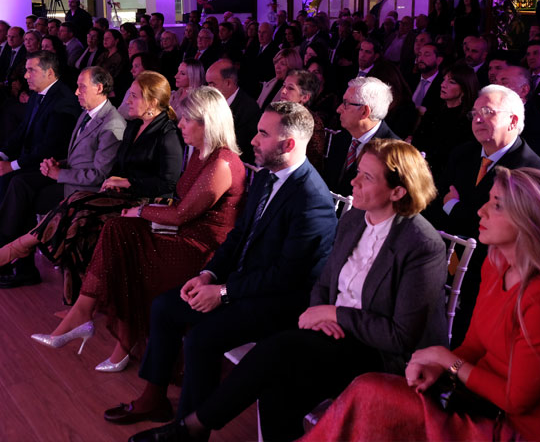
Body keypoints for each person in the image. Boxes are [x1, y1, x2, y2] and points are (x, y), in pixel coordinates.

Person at [129, 138, 449, 442]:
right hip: (332, 335)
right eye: (358, 172)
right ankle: (190, 428)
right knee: (278, 385)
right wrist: (320, 313)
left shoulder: (421, 244)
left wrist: (332, 313)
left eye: (367, 177)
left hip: (382, 356)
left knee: (277, 353)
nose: (353, 181)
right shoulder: (355, 219)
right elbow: (325, 280)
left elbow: (400, 336)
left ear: (397, 191)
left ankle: (192, 427)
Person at [298, 167, 540, 442]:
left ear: (532, 223)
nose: (481, 210)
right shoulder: (496, 265)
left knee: (371, 396)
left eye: (497, 205)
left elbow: (515, 400)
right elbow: (475, 345)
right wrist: (439, 368)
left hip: (518, 429)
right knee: (369, 391)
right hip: (476, 403)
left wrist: (447, 361)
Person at [103, 101, 337, 428]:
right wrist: (208, 275)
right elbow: (238, 236)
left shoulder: (311, 199)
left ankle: (187, 431)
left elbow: (285, 277)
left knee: (202, 338)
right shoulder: (268, 177)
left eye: (263, 134)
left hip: (278, 302)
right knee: (165, 307)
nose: (252, 140)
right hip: (244, 285)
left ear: (288, 145)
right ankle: (153, 399)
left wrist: (223, 292)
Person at [31, 86, 246, 374]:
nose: (180, 125)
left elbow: (182, 214)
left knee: (124, 243)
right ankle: (90, 318)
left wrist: (141, 211)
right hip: (181, 236)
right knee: (117, 229)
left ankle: (107, 332)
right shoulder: (200, 152)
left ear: (208, 123)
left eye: (186, 120)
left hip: (202, 252)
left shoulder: (221, 163)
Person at [0, 71, 184, 302]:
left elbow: (168, 183)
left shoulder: (167, 133)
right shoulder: (133, 126)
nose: (127, 100)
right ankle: (71, 297)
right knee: (66, 210)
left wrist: (126, 181)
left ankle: (16, 250)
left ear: (152, 102)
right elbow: (117, 167)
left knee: (75, 208)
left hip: (145, 200)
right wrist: (62, 166)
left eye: (134, 96)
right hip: (120, 193)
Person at [439, 85, 540, 343]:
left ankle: (455, 362)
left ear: (512, 120)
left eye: (487, 112)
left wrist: (454, 207)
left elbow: (505, 229)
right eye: (475, 113)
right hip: (447, 253)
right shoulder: (463, 153)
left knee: (464, 337)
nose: (477, 119)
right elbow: (437, 200)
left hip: (491, 268)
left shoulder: (530, 171)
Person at [0, 67, 124, 288]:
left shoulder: (112, 124)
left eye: (81, 87)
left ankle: (12, 257)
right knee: (19, 182)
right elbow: (78, 156)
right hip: (69, 177)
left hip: (85, 191)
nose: (76, 92)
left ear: (99, 88)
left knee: (25, 196)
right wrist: (59, 164)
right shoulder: (87, 113)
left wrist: (60, 173)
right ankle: (14, 257)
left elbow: (100, 175)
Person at [0, 51, 81, 204]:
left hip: (48, 164)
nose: (26, 76)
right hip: (30, 157)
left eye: (31, 70)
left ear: (49, 72)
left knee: (8, 179)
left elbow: (50, 147)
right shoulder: (37, 94)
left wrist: (12, 165)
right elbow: (22, 129)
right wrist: (3, 154)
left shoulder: (64, 102)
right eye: (26, 70)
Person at [323, 77, 400, 197]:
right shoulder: (341, 138)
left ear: (364, 111)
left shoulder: (393, 153)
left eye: (346, 104)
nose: (338, 109)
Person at [412, 63, 478, 182]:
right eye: (444, 80)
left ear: (464, 89)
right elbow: (418, 138)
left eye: (451, 82)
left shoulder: (468, 121)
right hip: (417, 167)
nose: (443, 84)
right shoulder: (434, 110)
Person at [278, 69, 326, 171]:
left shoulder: (313, 124)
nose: (283, 91)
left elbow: (312, 162)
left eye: (290, 88)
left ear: (305, 97)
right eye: (283, 86)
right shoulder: (276, 113)